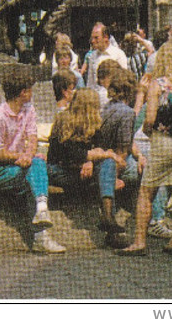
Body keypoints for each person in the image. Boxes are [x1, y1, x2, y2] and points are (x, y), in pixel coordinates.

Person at [118, 40, 172, 257]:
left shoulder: (158, 84)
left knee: (146, 192)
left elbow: (149, 118)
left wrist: (150, 132)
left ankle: (139, 241)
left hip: (162, 142)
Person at [0, 68, 66, 253]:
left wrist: (28, 154)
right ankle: (41, 235)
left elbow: (33, 137)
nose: (32, 94)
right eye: (30, 90)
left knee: (37, 169)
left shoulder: (28, 110)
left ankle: (42, 213)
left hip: (22, 164)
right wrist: (24, 156)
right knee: (34, 172)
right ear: (22, 93)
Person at [47, 88, 129, 248]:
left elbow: (99, 147)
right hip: (60, 170)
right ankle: (110, 227)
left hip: (83, 170)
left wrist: (90, 161)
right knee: (108, 159)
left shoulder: (94, 123)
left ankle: (108, 219)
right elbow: (68, 154)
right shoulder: (63, 120)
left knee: (108, 164)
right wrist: (97, 156)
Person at [100, 69, 145, 198]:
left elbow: (129, 141)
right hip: (112, 160)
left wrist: (139, 155)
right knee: (143, 169)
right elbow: (123, 150)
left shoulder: (109, 105)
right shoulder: (127, 113)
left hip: (105, 154)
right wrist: (114, 177)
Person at [83, 23, 128, 90]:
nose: (93, 41)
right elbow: (90, 83)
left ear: (106, 37)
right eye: (92, 38)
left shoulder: (118, 54)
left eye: (96, 38)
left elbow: (124, 80)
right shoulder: (92, 56)